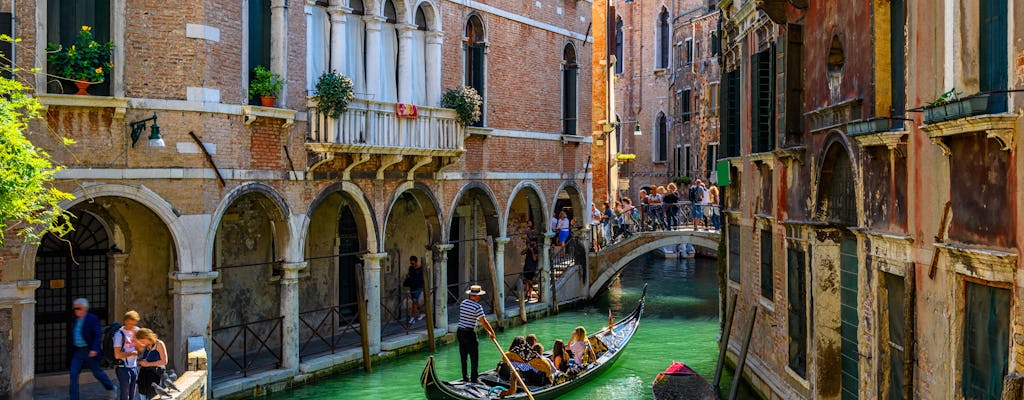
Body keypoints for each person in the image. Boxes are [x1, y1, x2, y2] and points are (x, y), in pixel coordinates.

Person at [68, 298, 117, 400]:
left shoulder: (92, 318)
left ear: (85, 309)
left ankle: (111, 388)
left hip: (89, 350)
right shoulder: (75, 318)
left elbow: (97, 334)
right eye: (75, 308)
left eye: (78, 308)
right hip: (78, 351)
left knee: (97, 373)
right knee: (73, 374)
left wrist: (94, 349)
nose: (76, 310)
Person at [457, 285, 496, 383]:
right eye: (478, 295)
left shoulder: (463, 303)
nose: (478, 297)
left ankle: (465, 378)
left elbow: (467, 316)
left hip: (460, 331)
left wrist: (476, 318)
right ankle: (474, 379)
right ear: (476, 296)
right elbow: (484, 322)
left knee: (463, 356)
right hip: (470, 333)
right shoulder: (477, 307)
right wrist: (491, 332)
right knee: (474, 357)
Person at [114, 310, 141, 400]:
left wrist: (136, 339)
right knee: (125, 395)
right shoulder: (119, 335)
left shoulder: (137, 331)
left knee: (132, 394)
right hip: (123, 368)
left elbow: (141, 348)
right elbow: (117, 355)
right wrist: (131, 354)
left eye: (134, 324)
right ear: (125, 322)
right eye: (130, 324)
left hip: (134, 367)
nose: (132, 326)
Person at [135, 328, 168, 399]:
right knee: (143, 396)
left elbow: (164, 361)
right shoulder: (146, 346)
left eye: (142, 340)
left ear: (147, 337)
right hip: (144, 377)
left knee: (153, 396)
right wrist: (140, 361)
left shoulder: (159, 344)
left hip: (155, 376)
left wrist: (147, 364)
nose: (142, 342)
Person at [404, 256, 425, 324]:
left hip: (418, 287)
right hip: (412, 286)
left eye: (413, 263)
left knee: (414, 301)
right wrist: (407, 276)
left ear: (416, 262)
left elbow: (423, 279)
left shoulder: (421, 269)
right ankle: (422, 312)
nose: (412, 265)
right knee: (415, 301)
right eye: (411, 263)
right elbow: (410, 275)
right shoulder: (411, 268)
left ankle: (413, 318)